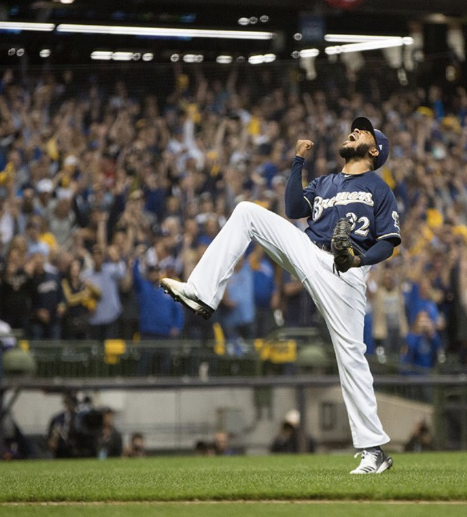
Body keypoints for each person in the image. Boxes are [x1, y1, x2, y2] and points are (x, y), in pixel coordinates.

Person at [162, 117, 399, 474]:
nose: (354, 132)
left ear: (374, 150)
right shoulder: (326, 181)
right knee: (246, 212)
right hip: (308, 249)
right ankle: (201, 292)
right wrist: (297, 164)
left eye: (362, 132)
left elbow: (388, 243)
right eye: (355, 129)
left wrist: (359, 259)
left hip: (346, 271)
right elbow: (293, 210)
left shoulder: (379, 190)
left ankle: (373, 452)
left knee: (351, 356)